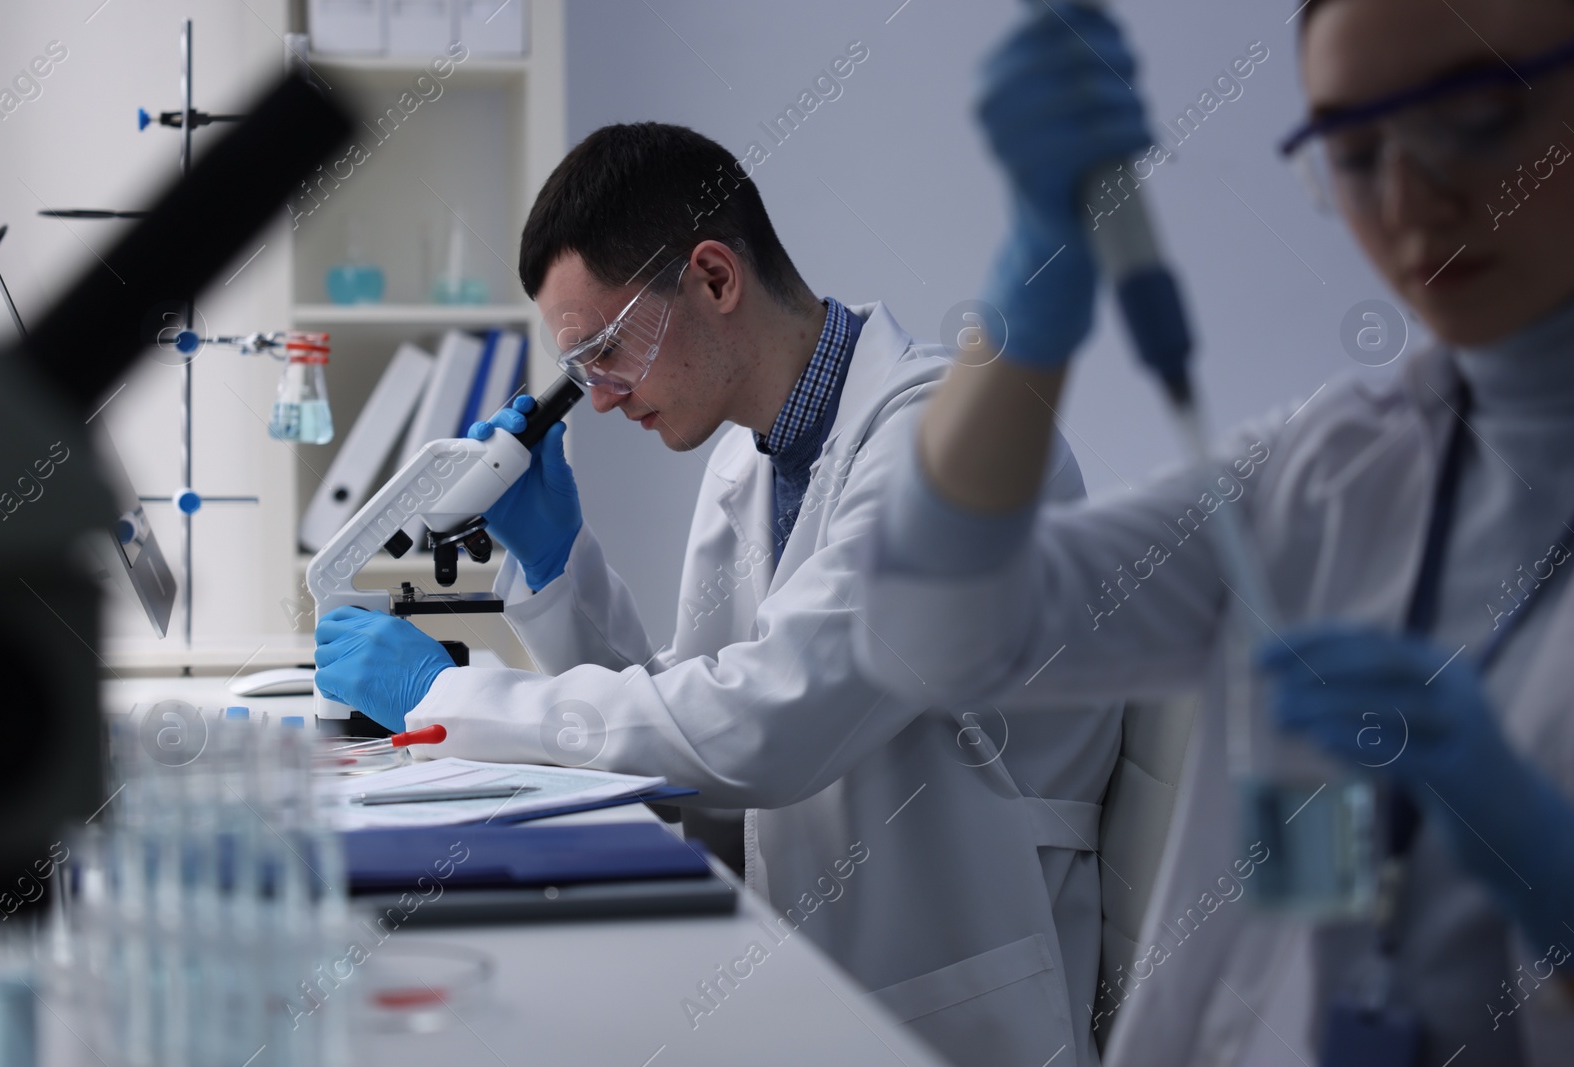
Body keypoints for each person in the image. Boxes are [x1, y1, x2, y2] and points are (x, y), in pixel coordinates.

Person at [851, 1, 1574, 1064]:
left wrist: (1543, 864)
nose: (1411, 196)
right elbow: (932, 636)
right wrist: (1029, 293)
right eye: (1355, 148)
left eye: (1471, 111)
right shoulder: (1327, 468)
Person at [314, 122, 1121, 1067]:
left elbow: (762, 731)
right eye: (580, 375)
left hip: (955, 1012)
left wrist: (441, 697)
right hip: (803, 979)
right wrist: (557, 564)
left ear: (713, 278)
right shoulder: (751, 458)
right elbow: (695, 768)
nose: (602, 398)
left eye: (604, 350)